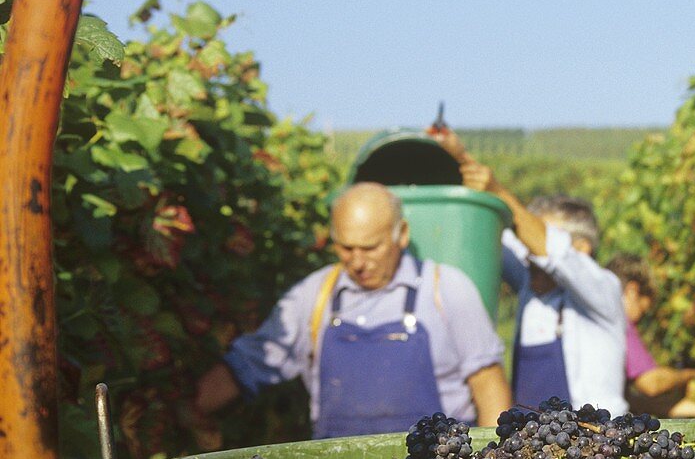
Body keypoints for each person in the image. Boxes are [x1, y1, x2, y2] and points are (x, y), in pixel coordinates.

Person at [192, 182, 512, 438]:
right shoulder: (314, 296)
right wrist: (190, 409)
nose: (357, 263)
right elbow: (252, 362)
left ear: (401, 235)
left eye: (370, 248)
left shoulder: (447, 288)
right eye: (346, 248)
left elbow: (488, 385)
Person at [431, 132, 628, 415]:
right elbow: (503, 230)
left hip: (594, 444)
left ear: (581, 249)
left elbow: (550, 249)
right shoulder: (528, 282)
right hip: (530, 447)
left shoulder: (601, 291)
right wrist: (458, 157)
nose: (529, 251)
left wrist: (497, 189)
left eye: (539, 237)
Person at [606, 254, 695, 418]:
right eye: (644, 309)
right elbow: (651, 382)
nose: (641, 319)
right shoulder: (617, 322)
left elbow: (627, 396)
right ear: (632, 291)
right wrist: (692, 375)